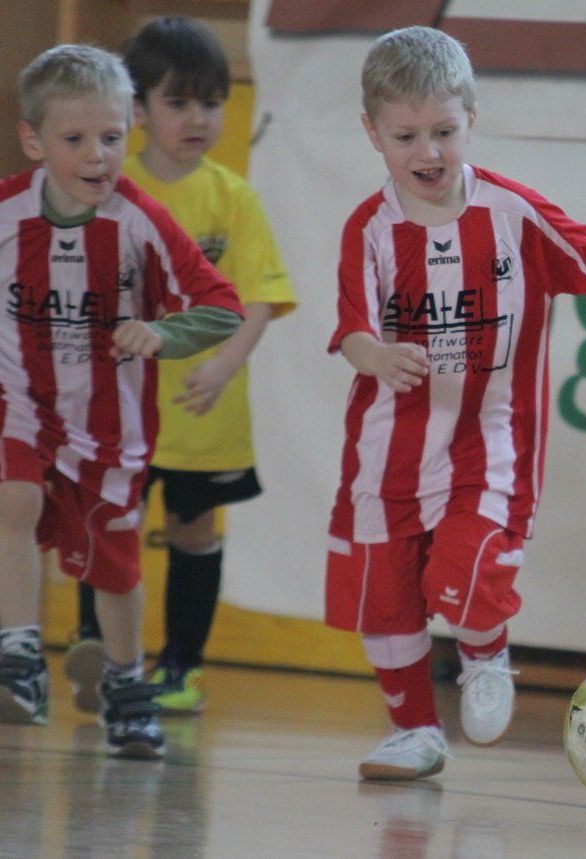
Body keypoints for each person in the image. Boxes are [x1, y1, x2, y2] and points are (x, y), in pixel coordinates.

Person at [326, 26, 586, 782]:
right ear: (372, 134)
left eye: (443, 131)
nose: (427, 151)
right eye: (405, 135)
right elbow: (353, 330)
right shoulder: (368, 229)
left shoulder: (513, 213)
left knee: (465, 565)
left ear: (472, 119)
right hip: (387, 444)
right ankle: (413, 730)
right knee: (386, 596)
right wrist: (379, 356)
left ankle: (486, 654)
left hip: (491, 437)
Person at [0, 44, 243, 758]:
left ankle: (128, 683)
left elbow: (221, 306)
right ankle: (19, 654)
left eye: (111, 137)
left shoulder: (140, 224)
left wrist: (161, 331)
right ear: (33, 140)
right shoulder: (7, 213)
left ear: (129, 130)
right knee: (13, 497)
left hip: (110, 427)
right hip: (19, 401)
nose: (98, 155)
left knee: (115, 564)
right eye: (75, 139)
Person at [65, 17, 297, 717]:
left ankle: (182, 669)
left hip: (203, 411)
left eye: (212, 101)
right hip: (116, 410)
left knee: (195, 533)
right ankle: (97, 652)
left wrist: (224, 365)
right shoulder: (106, 190)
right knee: (108, 524)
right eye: (179, 102)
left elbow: (260, 294)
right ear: (135, 109)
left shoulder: (235, 197)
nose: (199, 118)